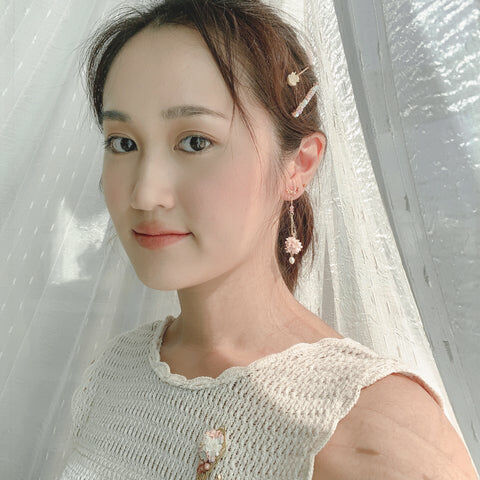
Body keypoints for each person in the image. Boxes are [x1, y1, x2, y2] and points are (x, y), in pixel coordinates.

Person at [61, 1, 477, 479]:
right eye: (123, 143)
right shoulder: (114, 371)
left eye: (195, 141)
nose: (144, 193)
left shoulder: (372, 425)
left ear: (299, 164)